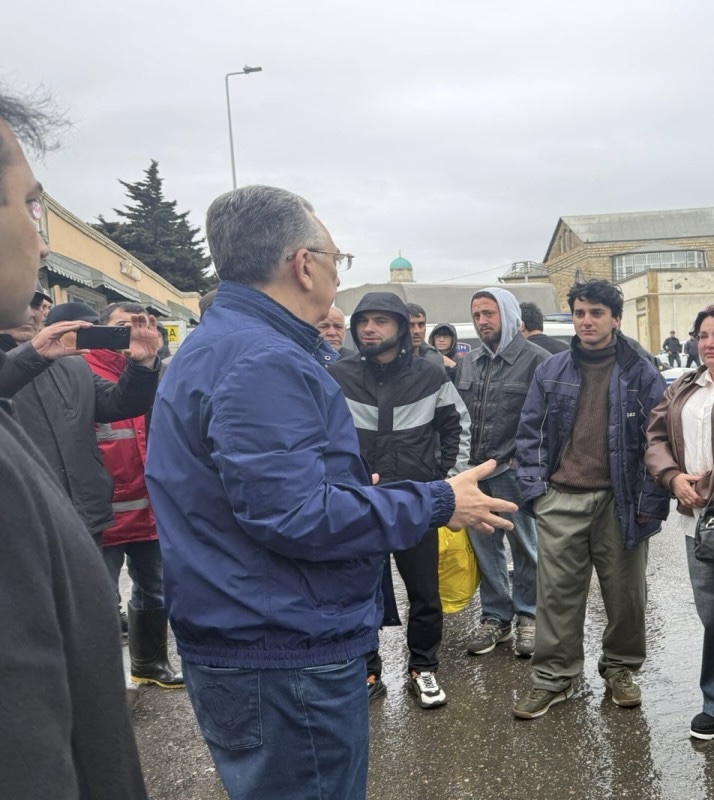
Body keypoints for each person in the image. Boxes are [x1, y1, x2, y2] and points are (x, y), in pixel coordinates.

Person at [144, 184, 517, 800]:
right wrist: (439, 500)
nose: (336, 274)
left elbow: (261, 491)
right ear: (302, 264)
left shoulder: (229, 344)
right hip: (282, 647)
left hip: (256, 627)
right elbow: (295, 514)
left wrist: (345, 487)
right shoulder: (261, 360)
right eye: (335, 258)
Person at [0, 85, 147, 797]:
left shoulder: (72, 369)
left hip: (89, 511)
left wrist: (141, 364)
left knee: (88, 626)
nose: (42, 239)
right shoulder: (27, 366)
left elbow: (117, 406)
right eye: (31, 206)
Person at [513, 279, 669, 719]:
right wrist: (537, 494)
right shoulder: (551, 370)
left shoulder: (642, 371)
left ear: (616, 319)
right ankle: (554, 678)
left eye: (596, 313)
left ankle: (620, 668)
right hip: (562, 499)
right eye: (579, 313)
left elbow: (658, 440)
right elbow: (530, 434)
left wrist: (649, 502)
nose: (586, 321)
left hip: (621, 502)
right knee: (557, 597)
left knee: (626, 596)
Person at [329, 292, 471, 709]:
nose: (369, 329)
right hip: (359, 503)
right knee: (359, 592)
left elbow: (457, 427)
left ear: (401, 328)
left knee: (425, 593)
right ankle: (367, 670)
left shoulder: (431, 375)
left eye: (381, 321)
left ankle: (422, 668)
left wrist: (445, 483)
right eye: (363, 321)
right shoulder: (337, 376)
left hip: (416, 501)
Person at [0, 300, 160, 546]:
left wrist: (143, 365)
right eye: (22, 302)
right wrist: (31, 355)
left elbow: (120, 403)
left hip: (85, 518)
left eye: (37, 305)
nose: (30, 313)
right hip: (19, 527)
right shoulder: (31, 361)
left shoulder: (72, 364)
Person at [84, 301, 183, 689]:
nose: (131, 331)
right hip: (102, 514)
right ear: (102, 329)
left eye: (140, 324)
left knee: (153, 589)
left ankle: (149, 663)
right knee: (97, 598)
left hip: (149, 508)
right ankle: (100, 682)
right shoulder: (82, 372)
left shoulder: (157, 372)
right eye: (122, 325)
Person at [455, 287, 548, 658]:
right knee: (485, 547)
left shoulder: (537, 360)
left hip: (516, 473)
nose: (482, 322)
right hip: (475, 474)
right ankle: (496, 617)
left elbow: (549, 421)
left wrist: (530, 465)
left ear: (508, 315)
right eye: (477, 315)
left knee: (526, 546)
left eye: (489, 314)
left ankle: (530, 615)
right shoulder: (468, 362)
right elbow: (458, 418)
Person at [645, 305, 714, 739]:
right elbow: (655, 437)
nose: (709, 344)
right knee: (712, 613)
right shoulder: (685, 386)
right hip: (697, 521)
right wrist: (672, 477)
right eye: (703, 336)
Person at [406, 301, 444, 367]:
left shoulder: (434, 358)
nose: (417, 331)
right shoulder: (388, 358)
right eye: (410, 325)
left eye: (421, 325)